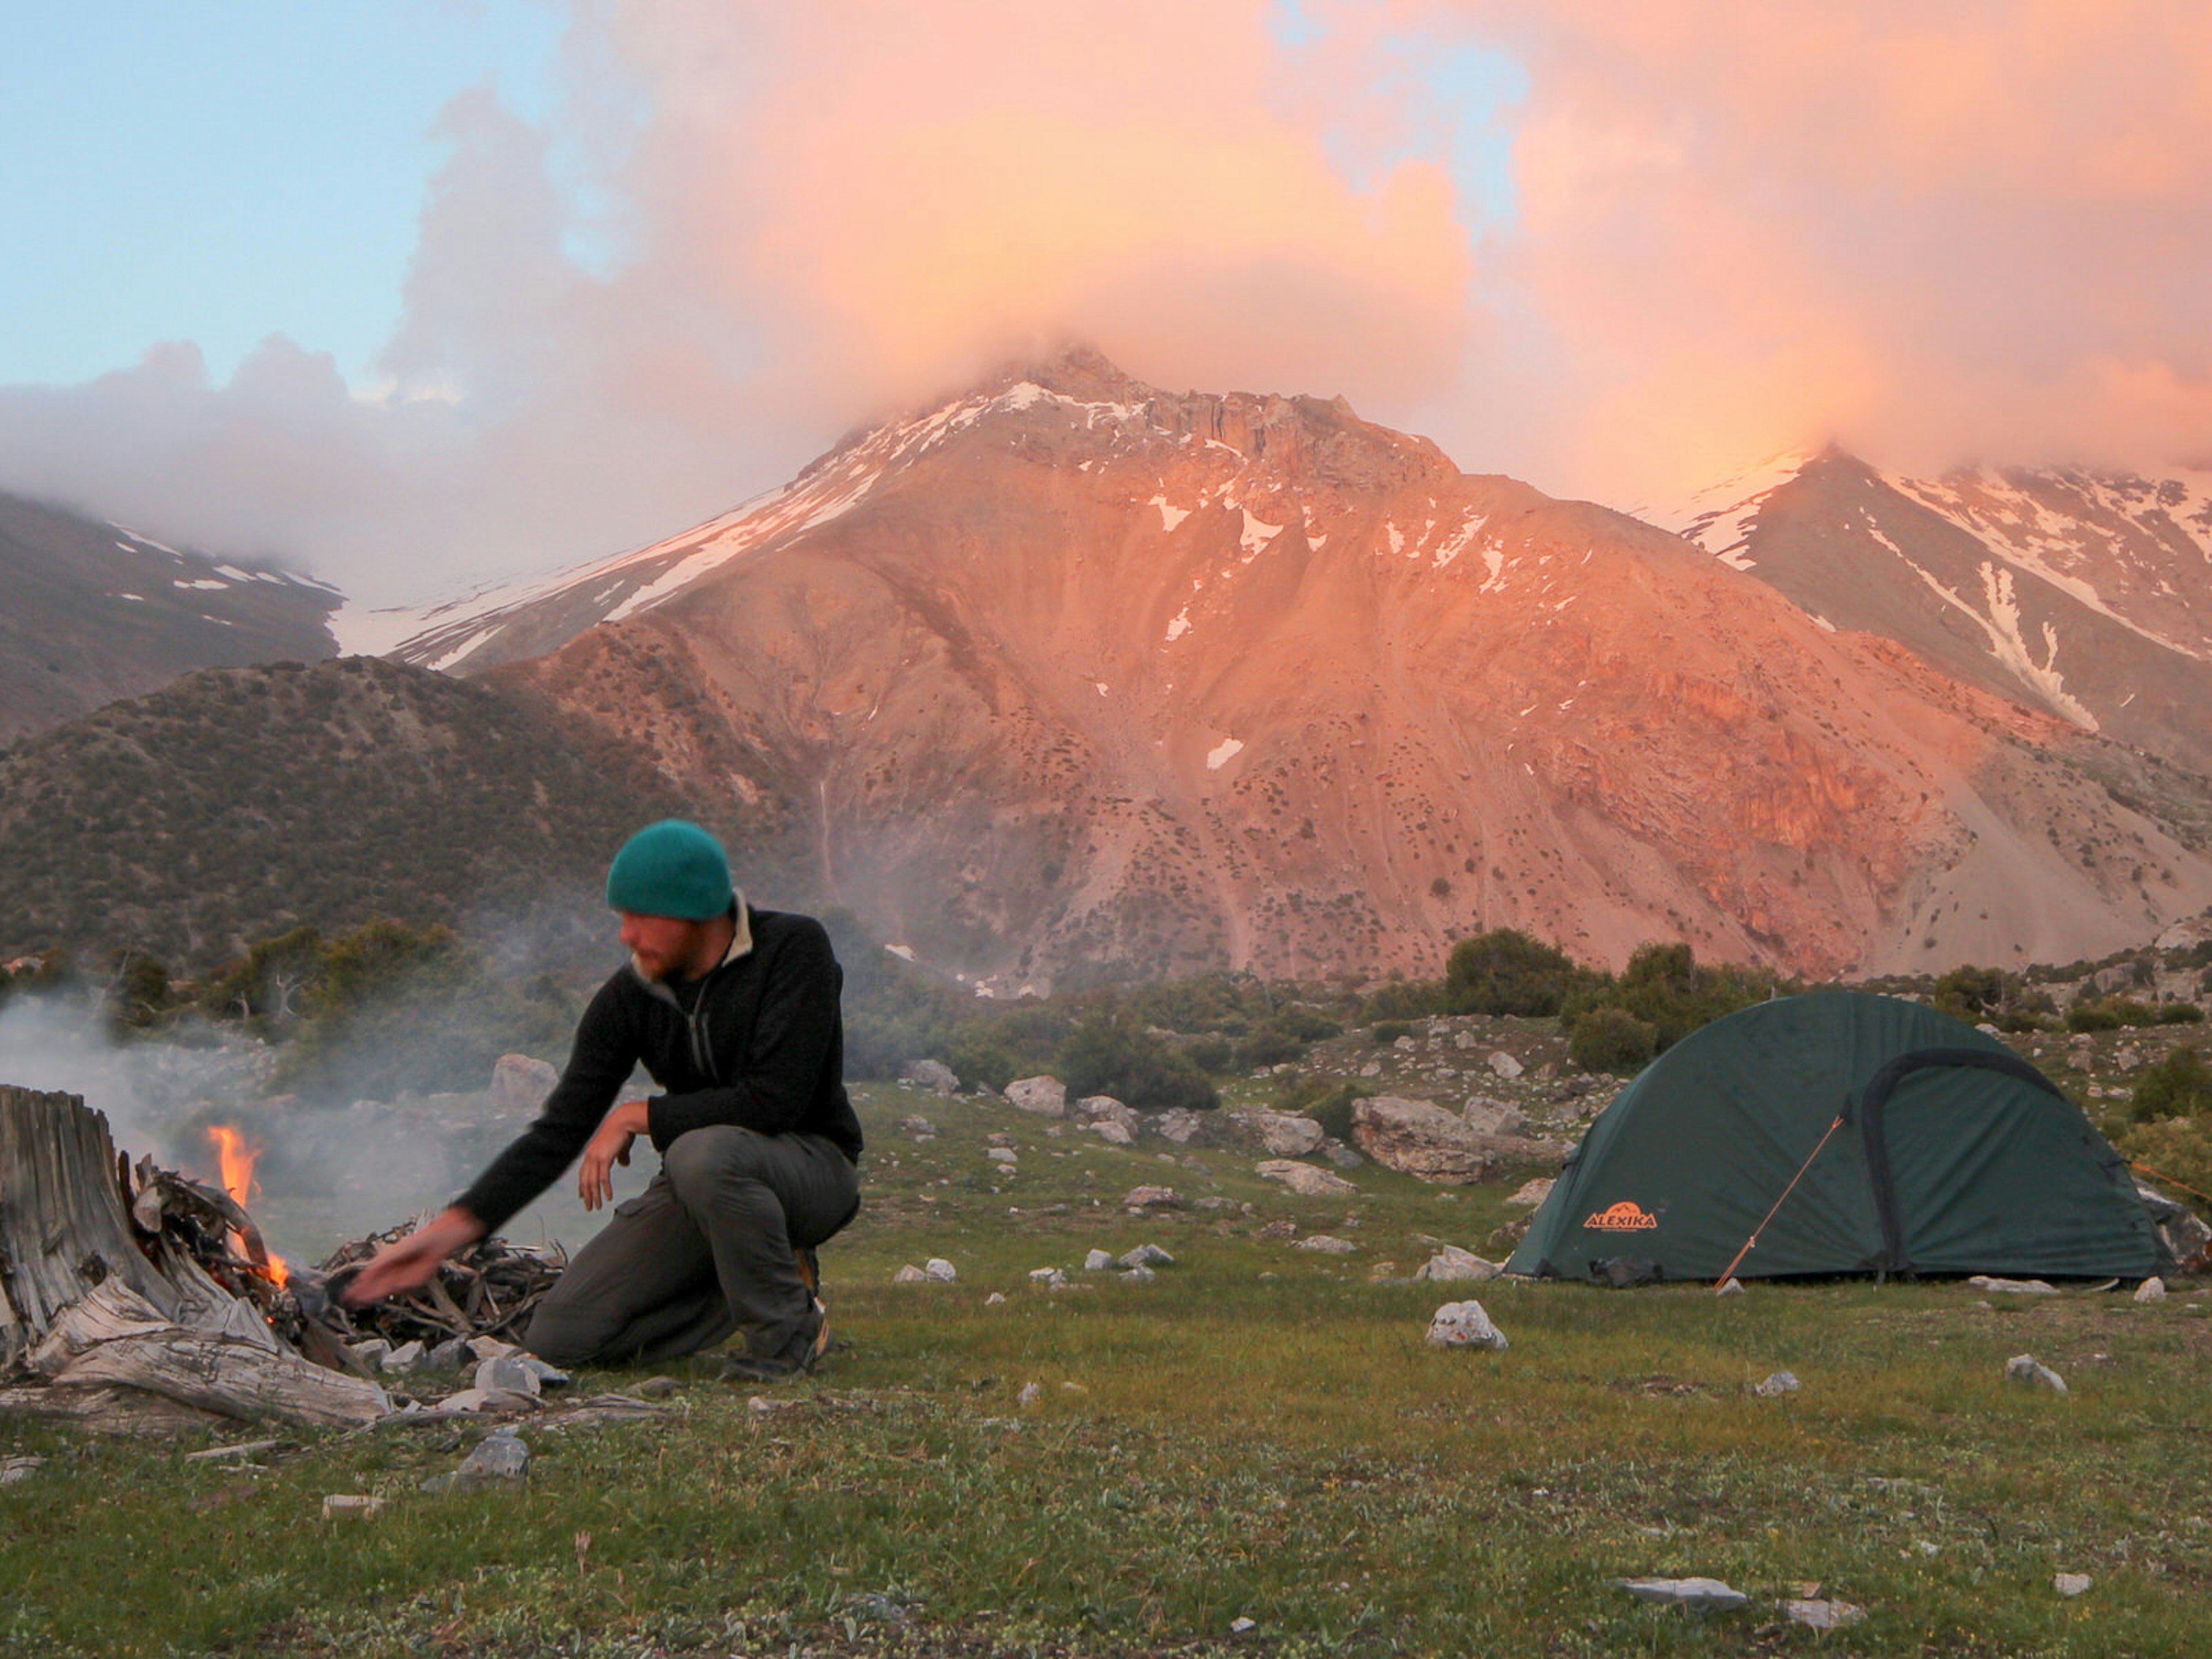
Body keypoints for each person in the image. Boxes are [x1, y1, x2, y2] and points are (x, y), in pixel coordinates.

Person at [344, 819, 863, 1380]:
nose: (626, 934)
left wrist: (638, 1114)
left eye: (642, 916)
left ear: (696, 911)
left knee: (699, 1153)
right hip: (707, 1185)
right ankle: (770, 1282)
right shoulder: (628, 1000)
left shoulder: (794, 947)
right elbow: (557, 1134)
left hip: (812, 1168)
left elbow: (775, 1102)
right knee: (561, 1336)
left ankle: (787, 1340)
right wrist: (444, 1237)